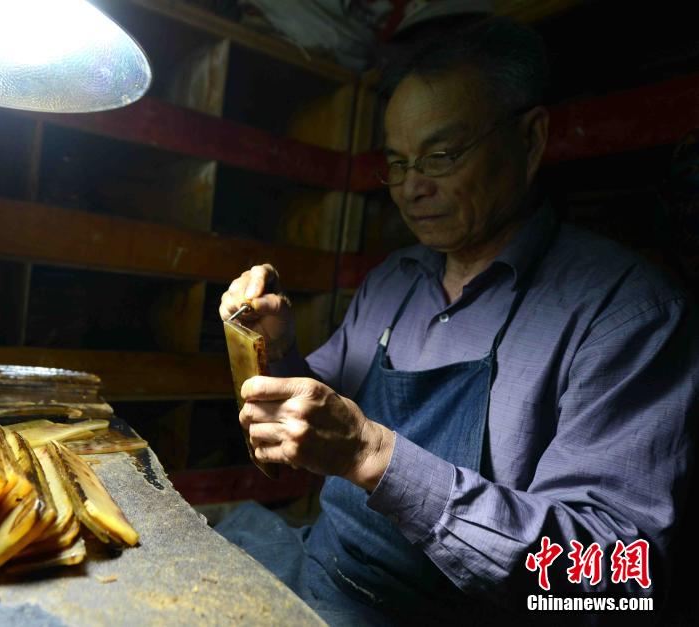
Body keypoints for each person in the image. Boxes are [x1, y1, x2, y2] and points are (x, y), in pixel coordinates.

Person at [216, 17, 698, 626]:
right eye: (396, 163)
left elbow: (614, 587)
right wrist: (273, 351)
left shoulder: (628, 313)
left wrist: (373, 455)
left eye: (441, 156)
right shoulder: (395, 279)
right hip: (324, 571)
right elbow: (308, 417)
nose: (412, 188)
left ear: (530, 140)